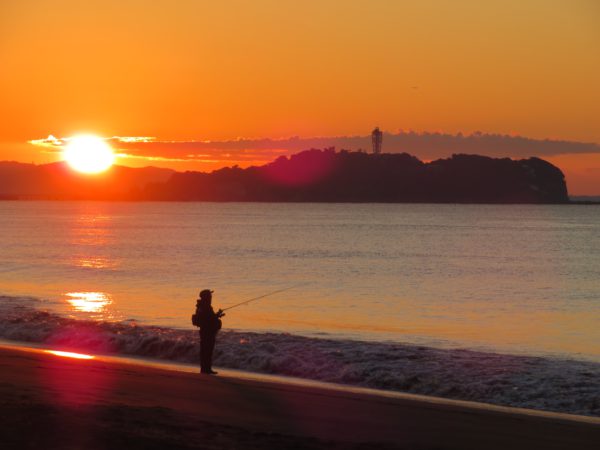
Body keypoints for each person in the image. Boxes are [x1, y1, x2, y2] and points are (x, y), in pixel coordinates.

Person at [194, 289, 224, 375]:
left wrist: (217, 315)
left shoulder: (201, 305)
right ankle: (206, 369)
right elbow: (209, 319)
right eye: (210, 296)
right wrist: (217, 315)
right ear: (206, 297)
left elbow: (209, 317)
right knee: (207, 350)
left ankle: (205, 368)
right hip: (207, 331)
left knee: (205, 350)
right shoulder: (206, 306)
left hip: (204, 331)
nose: (211, 297)